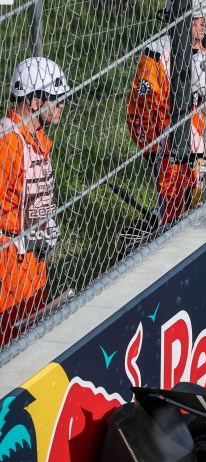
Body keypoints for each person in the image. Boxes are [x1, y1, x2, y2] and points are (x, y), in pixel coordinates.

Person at [0, 57, 69, 345]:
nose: (63, 104)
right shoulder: (7, 144)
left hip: (32, 262)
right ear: (35, 102)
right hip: (8, 267)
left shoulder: (36, 137)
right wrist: (22, 242)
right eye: (57, 98)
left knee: (31, 340)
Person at [125, 0, 206, 229]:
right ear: (179, 18)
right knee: (175, 214)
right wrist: (152, 150)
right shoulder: (155, 54)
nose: (203, 22)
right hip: (170, 149)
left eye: (205, 16)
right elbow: (140, 109)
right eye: (197, 17)